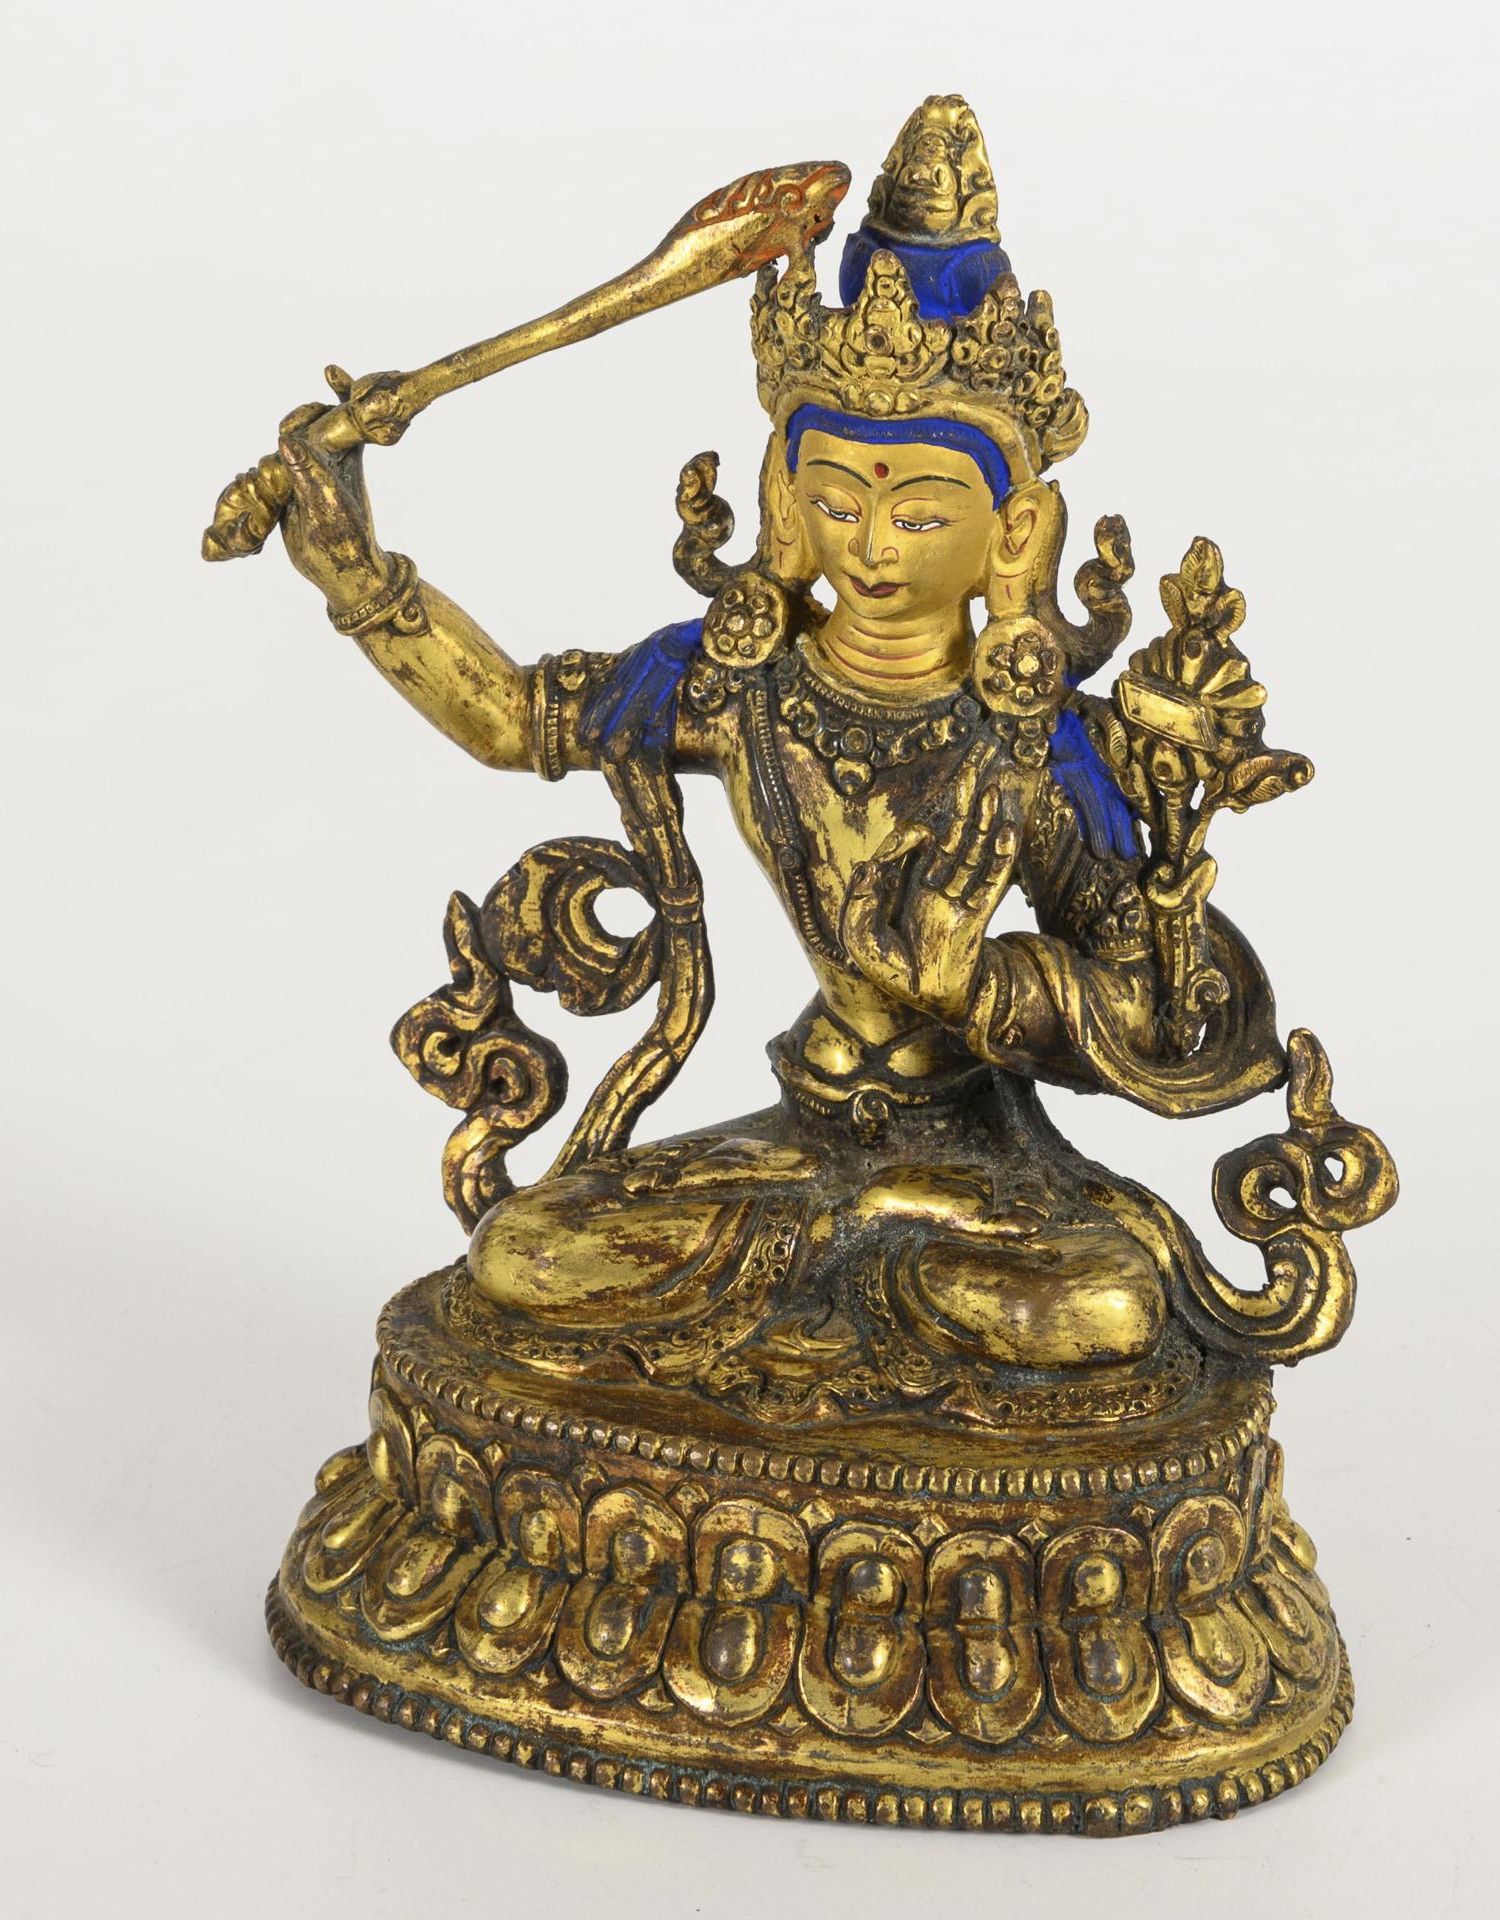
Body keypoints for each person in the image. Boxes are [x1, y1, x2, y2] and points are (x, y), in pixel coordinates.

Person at [253, 96, 1287, 1424]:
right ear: (786, 499)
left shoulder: (1038, 740)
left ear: (1015, 530)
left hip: (976, 1172)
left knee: (1090, 1308)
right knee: (531, 1254)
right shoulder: (736, 680)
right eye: (839, 501)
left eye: (923, 512)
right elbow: (513, 718)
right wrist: (355, 573)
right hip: (790, 1153)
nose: (874, 547)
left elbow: (1145, 1006)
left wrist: (980, 984)